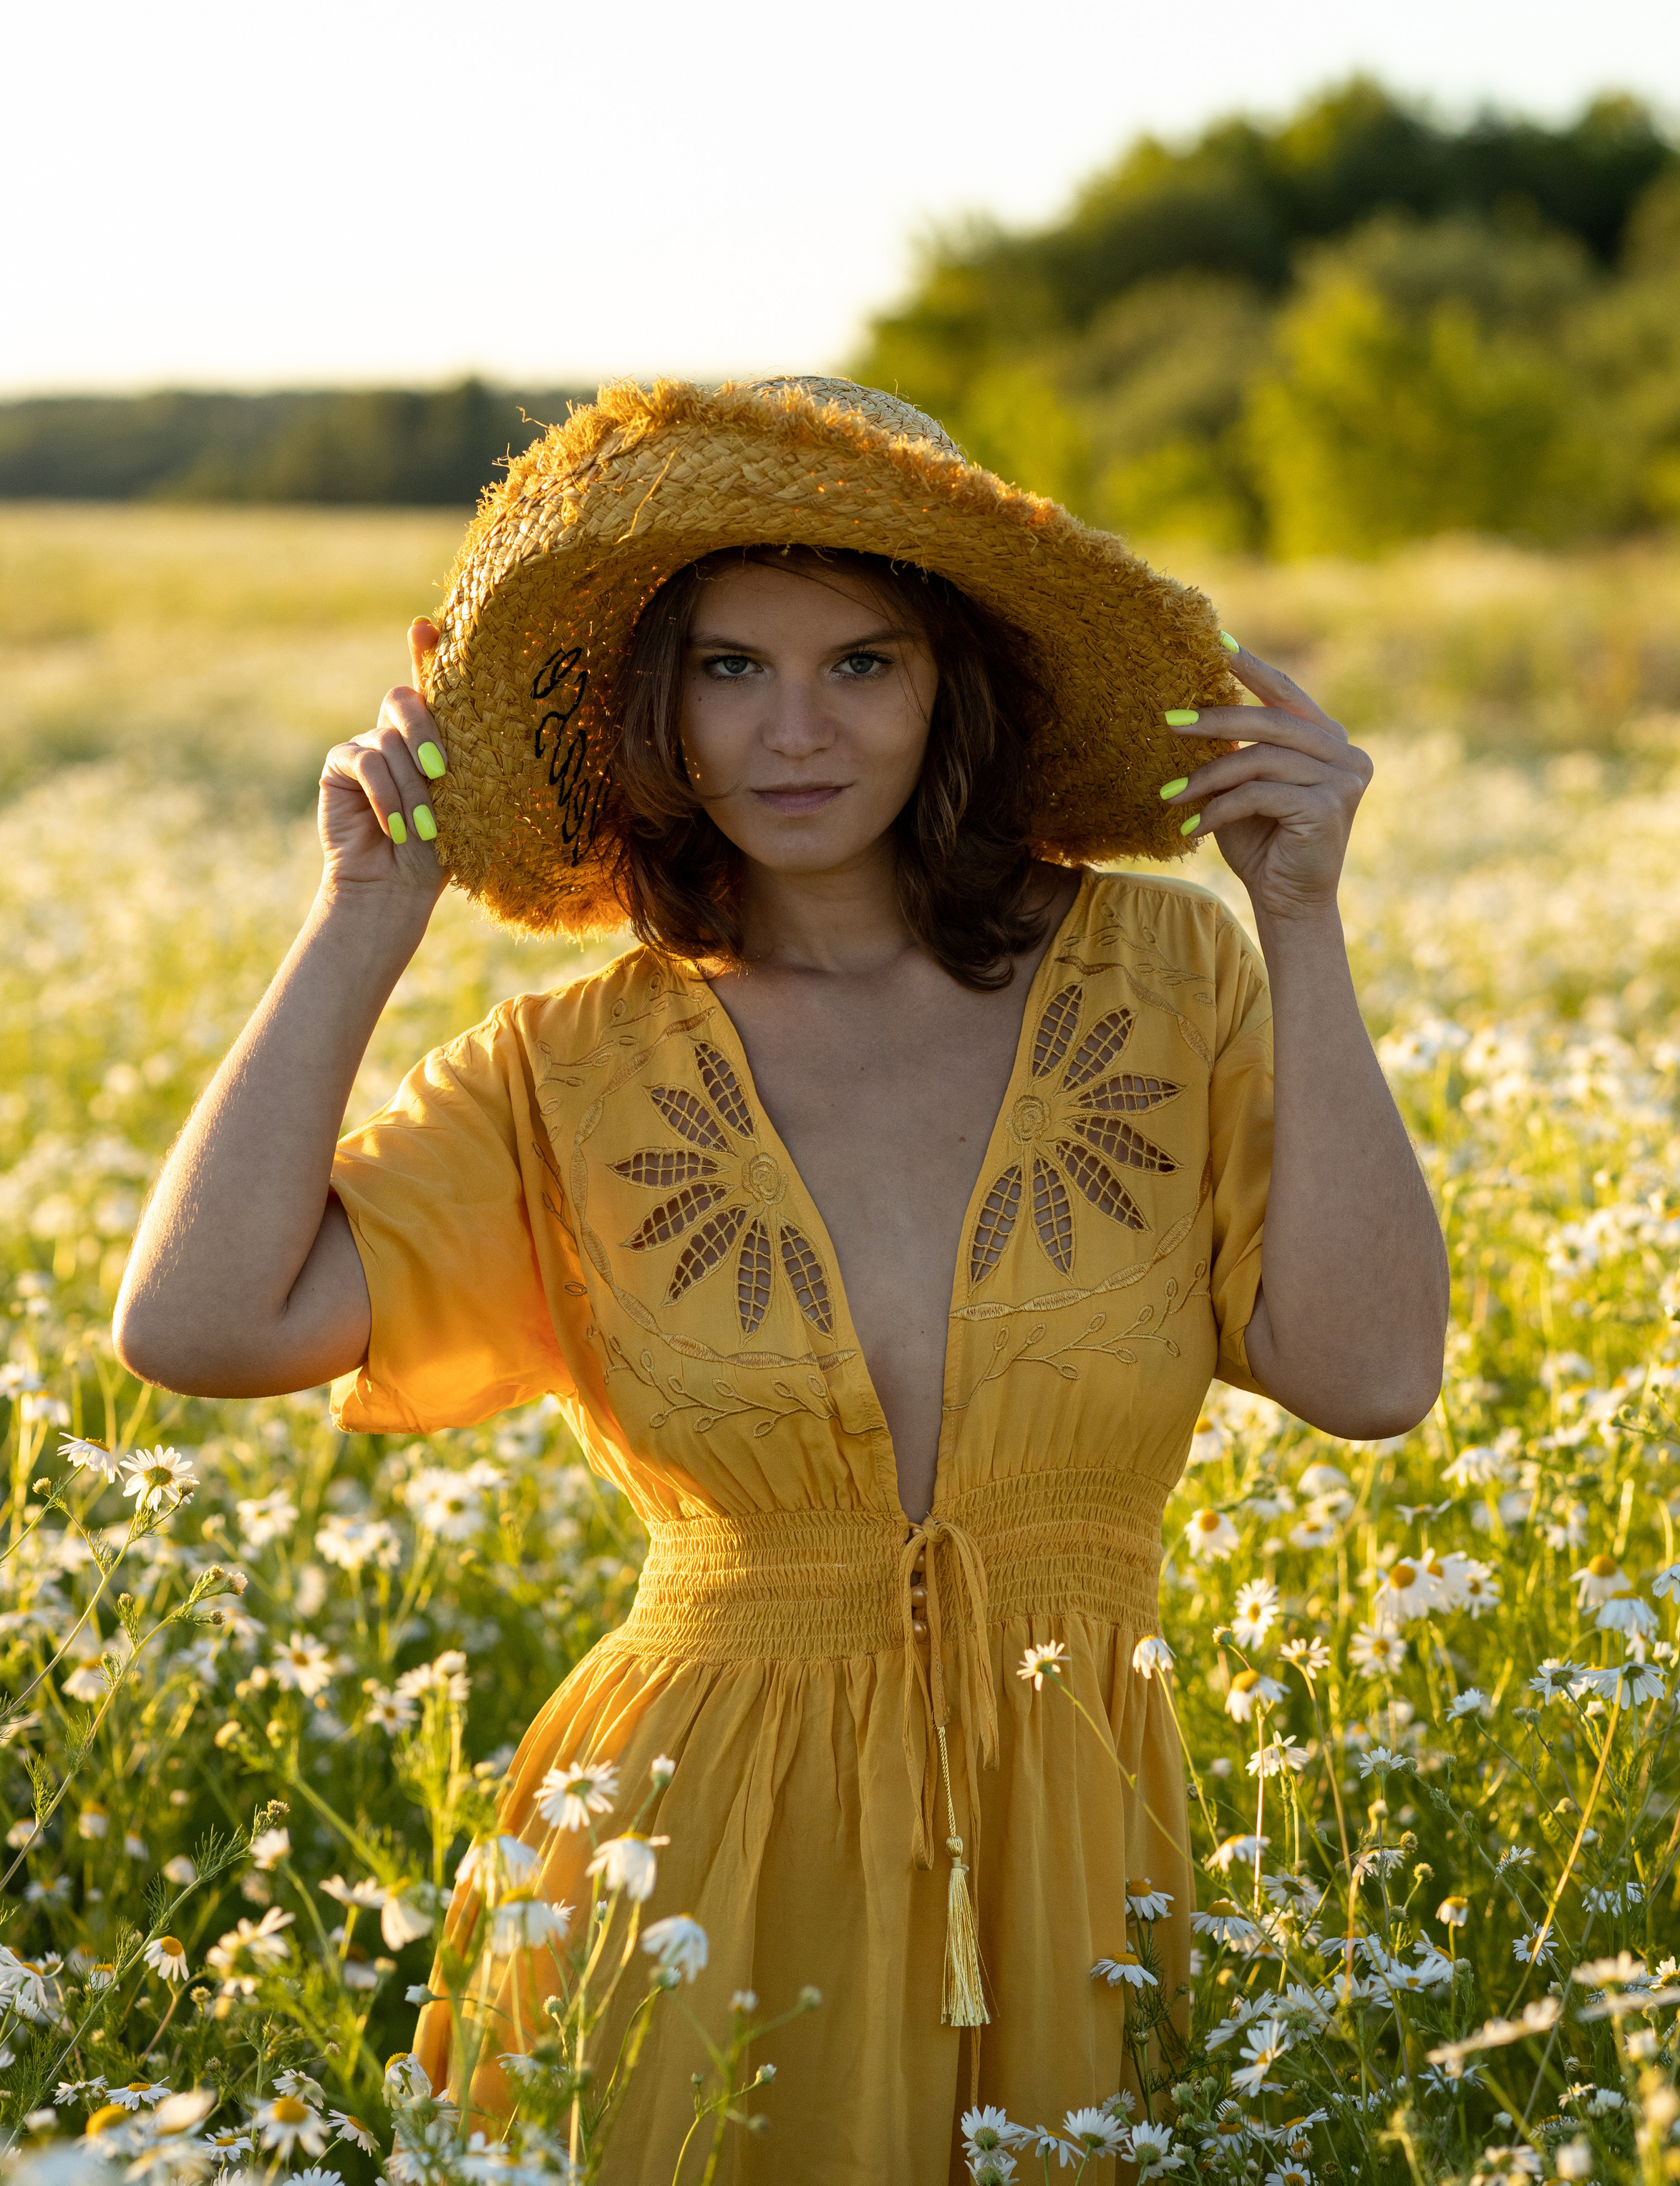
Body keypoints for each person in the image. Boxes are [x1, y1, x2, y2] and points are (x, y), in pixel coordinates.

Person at [115, 377, 1448, 2182]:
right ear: (650, 710)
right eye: (728, 668)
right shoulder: (566, 1070)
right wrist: (364, 913)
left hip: (1069, 1838)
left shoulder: (1166, 971)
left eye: (861, 664)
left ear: (947, 682)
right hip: (685, 1858)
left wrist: (1301, 918)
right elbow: (193, 1325)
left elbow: (1366, 1374)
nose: (791, 731)